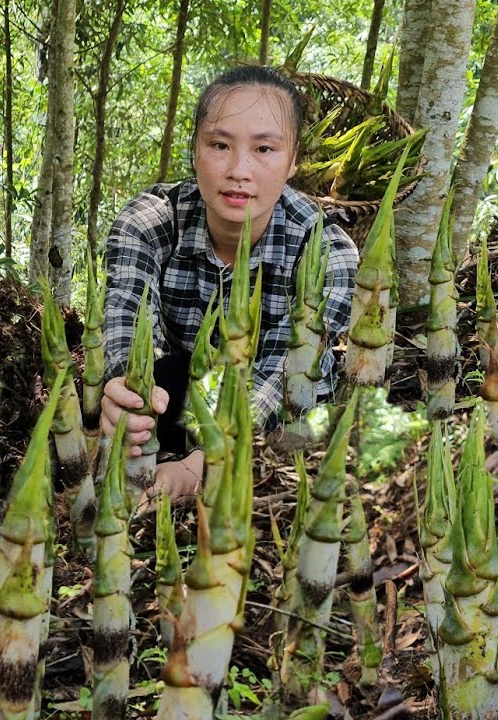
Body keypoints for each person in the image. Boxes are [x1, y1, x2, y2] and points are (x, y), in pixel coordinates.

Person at [101, 65, 359, 501]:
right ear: (196, 149)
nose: (239, 170)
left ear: (293, 159)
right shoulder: (147, 224)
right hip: (173, 403)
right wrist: (124, 397)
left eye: (264, 149)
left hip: (274, 430)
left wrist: (200, 468)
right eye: (220, 145)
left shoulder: (327, 252)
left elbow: (284, 377)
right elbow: (127, 326)